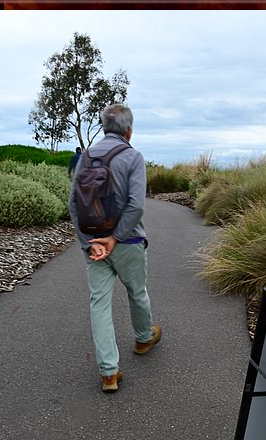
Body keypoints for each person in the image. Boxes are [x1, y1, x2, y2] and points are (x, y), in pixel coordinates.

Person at [68, 104, 161, 392]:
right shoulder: (133, 157)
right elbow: (136, 206)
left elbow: (73, 204)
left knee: (100, 305)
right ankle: (144, 338)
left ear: (104, 127)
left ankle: (109, 373)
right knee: (137, 292)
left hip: (94, 244)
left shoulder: (85, 157)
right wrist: (115, 238)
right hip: (128, 242)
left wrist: (89, 243)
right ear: (129, 130)